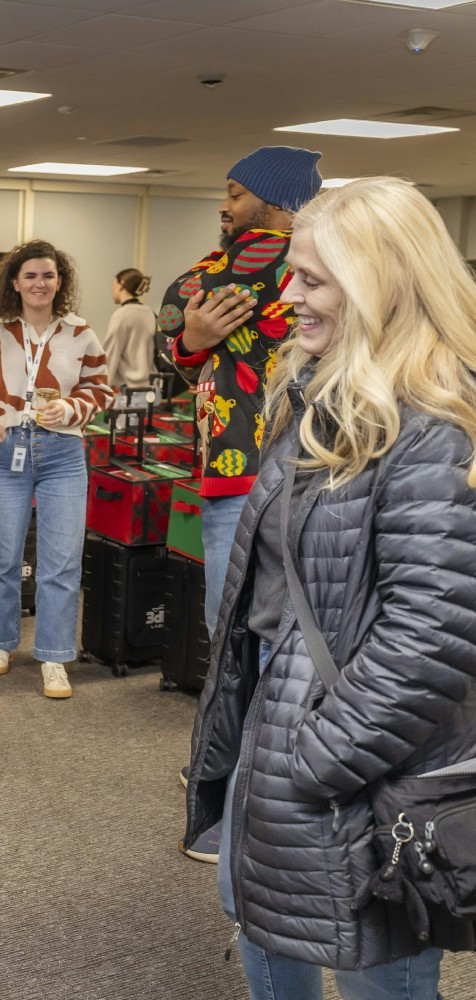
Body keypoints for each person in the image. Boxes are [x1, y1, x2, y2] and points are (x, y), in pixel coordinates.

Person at [184, 176, 476, 999]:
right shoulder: (318, 391)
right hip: (287, 719)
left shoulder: (433, 425)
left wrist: (316, 761)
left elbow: (431, 638)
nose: (288, 297)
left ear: (378, 285)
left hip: (360, 756)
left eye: (312, 280)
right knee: (261, 916)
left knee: (378, 967)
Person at [162, 146, 322, 863]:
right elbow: (179, 330)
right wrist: (193, 342)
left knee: (253, 637)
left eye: (234, 192)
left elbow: (179, 299)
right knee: (242, 634)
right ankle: (228, 768)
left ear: (274, 201)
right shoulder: (252, 263)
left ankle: (239, 793)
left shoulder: (278, 261)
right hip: (246, 472)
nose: (224, 206)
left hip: (276, 473)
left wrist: (187, 331)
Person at [0, 240, 114, 699]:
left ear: (60, 282)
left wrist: (72, 408)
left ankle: (54, 657)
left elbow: (101, 390)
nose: (40, 283)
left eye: (48, 275)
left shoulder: (81, 332)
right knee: (4, 557)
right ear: (15, 283)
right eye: (31, 276)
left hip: (63, 453)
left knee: (61, 562)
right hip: (7, 452)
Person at [101, 267, 156, 397]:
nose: (112, 289)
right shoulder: (150, 312)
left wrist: (99, 389)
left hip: (131, 392)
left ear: (121, 284)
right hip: (152, 389)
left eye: (113, 284)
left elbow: (110, 355)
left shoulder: (122, 314)